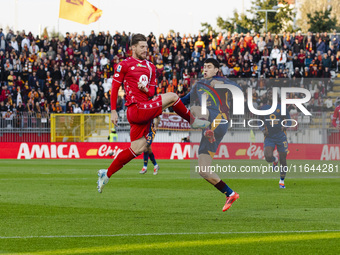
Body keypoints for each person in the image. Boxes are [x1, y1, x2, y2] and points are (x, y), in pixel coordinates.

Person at [97, 34, 210, 193]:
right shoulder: (124, 64)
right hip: (135, 108)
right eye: (142, 47)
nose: (145, 50)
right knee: (172, 97)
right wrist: (114, 110)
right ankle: (194, 121)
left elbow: (152, 91)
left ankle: (106, 174)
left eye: (146, 47)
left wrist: (145, 89)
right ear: (133, 47)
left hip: (145, 109)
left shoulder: (150, 67)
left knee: (137, 148)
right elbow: (115, 88)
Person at [181, 58, 240, 212]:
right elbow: (183, 101)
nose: (205, 69)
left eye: (209, 67)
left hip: (220, 120)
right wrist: (161, 105)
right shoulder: (198, 85)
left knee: (195, 109)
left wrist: (221, 84)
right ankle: (230, 193)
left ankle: (208, 129)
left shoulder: (223, 81)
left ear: (216, 70)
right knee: (203, 170)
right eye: (204, 67)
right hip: (210, 128)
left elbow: (238, 89)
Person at [259, 89, 291, 189]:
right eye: (269, 94)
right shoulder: (263, 108)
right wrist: (263, 130)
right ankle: (274, 160)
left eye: (272, 94)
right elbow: (259, 121)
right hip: (269, 137)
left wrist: (286, 126)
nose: (270, 95)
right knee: (268, 156)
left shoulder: (282, 107)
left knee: (283, 160)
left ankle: (281, 181)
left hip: (281, 136)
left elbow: (289, 120)